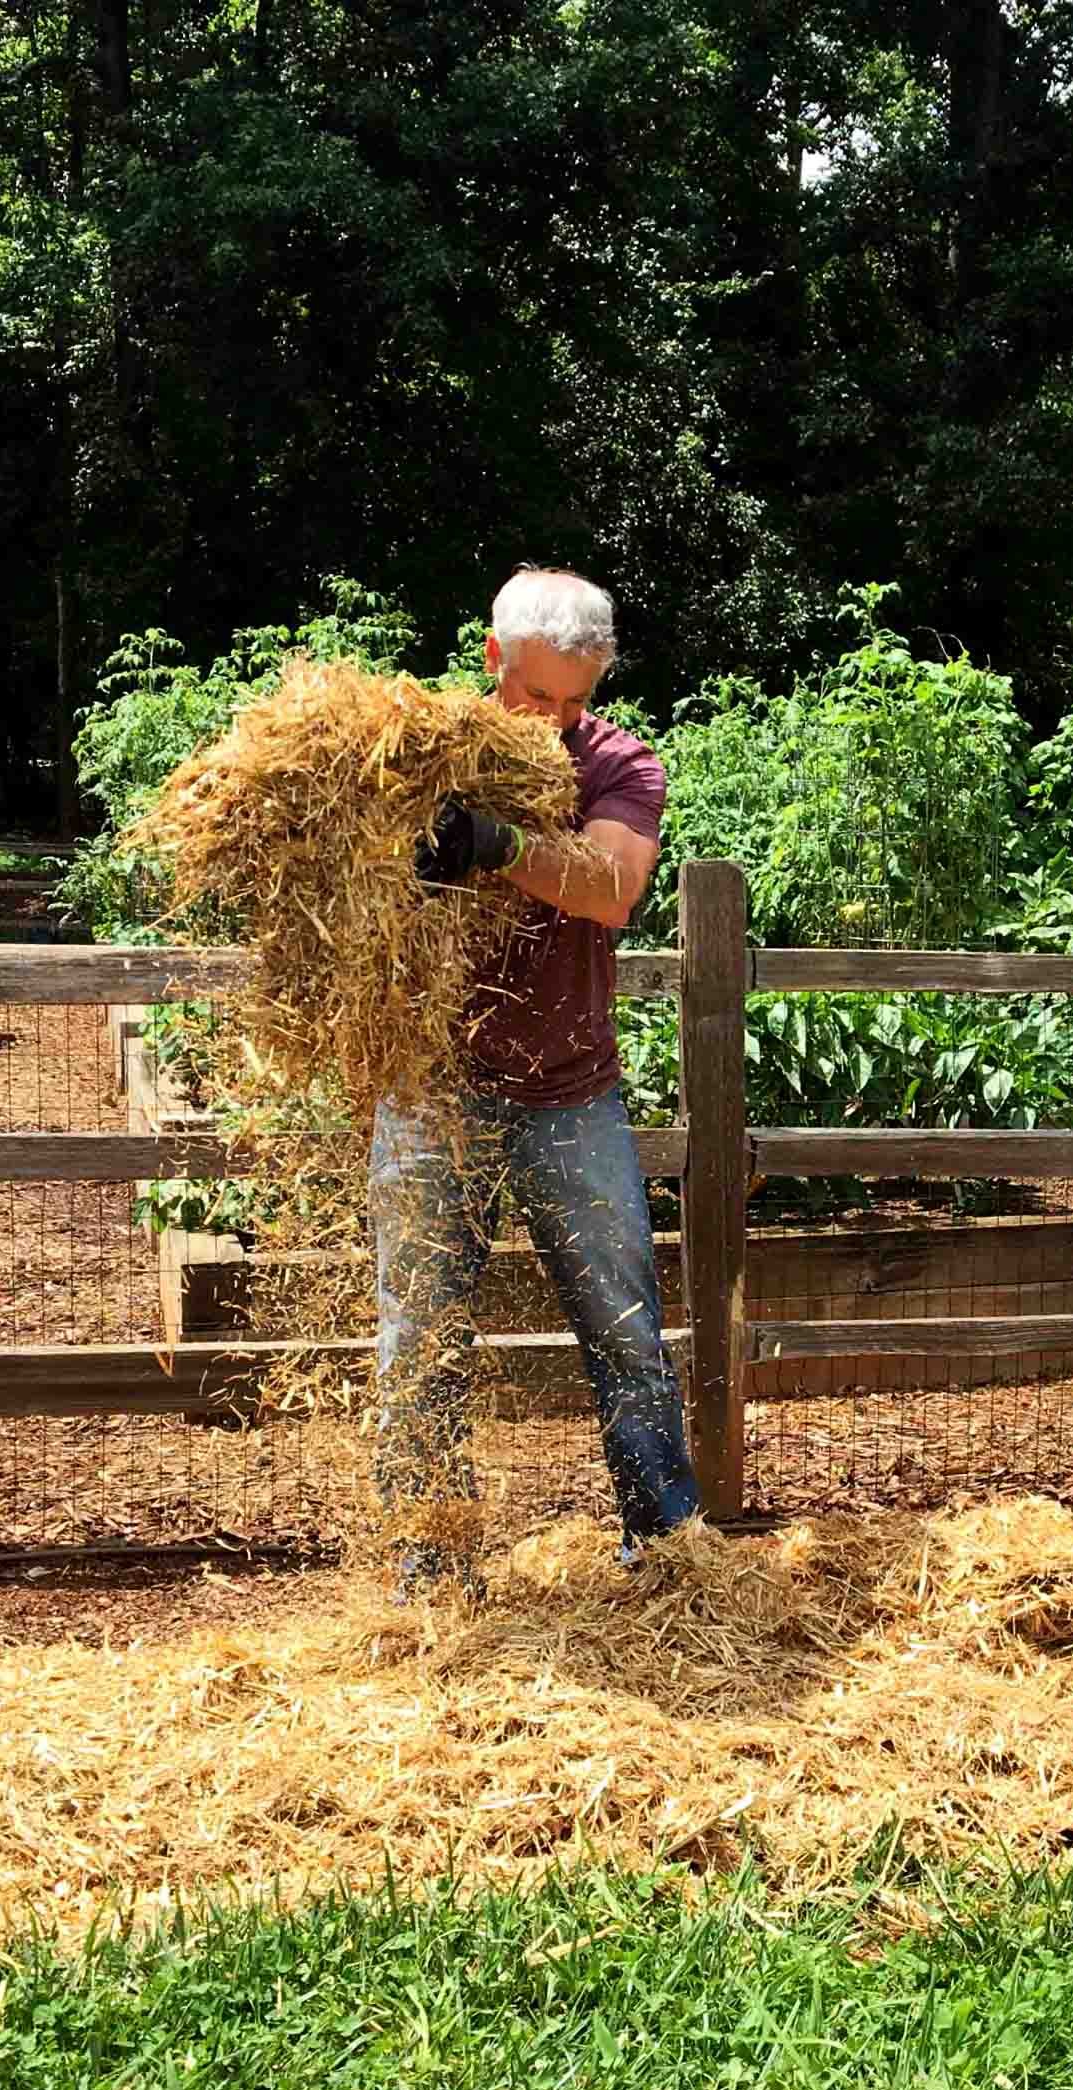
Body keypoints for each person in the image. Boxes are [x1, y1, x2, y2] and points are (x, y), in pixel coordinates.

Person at [372, 567, 698, 1595]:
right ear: (491, 660)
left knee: (623, 1326)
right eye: (534, 695)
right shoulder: (410, 754)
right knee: (419, 1335)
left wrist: (493, 843)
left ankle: (665, 1545)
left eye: (574, 700)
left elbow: (608, 889)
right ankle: (427, 1567)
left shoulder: (618, 765)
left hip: (570, 1088)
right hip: (431, 1089)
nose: (554, 721)